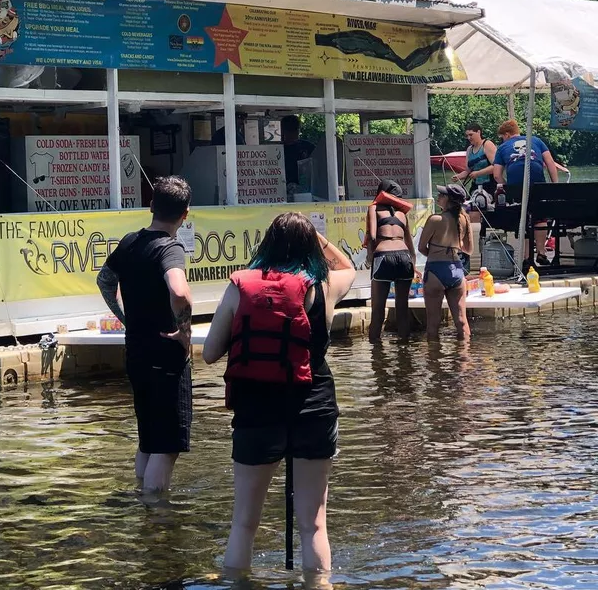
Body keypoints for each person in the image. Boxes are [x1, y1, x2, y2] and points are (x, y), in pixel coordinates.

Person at [202, 212, 356, 578]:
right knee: (314, 525)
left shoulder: (240, 286)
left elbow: (209, 353)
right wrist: (316, 236)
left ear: (266, 243)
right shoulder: (324, 285)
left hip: (256, 411)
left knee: (243, 523)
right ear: (311, 246)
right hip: (313, 408)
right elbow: (349, 265)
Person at [96, 176, 193, 492]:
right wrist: (185, 331)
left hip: (135, 350)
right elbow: (179, 291)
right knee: (166, 447)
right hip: (165, 355)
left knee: (148, 439)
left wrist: (125, 316)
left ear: (151, 206)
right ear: (185, 214)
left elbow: (105, 280)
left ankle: (142, 503)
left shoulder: (129, 242)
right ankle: (157, 516)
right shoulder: (170, 247)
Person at [492, 119, 558, 263]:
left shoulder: (502, 148)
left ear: (507, 135)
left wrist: (508, 187)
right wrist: (555, 186)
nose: (502, 140)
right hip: (539, 185)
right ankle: (541, 252)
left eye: (502, 137)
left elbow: (496, 175)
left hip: (516, 189)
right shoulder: (536, 140)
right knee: (540, 217)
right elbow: (550, 163)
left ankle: (527, 256)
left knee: (524, 218)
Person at [418, 184, 473, 341]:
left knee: (433, 324)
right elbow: (469, 250)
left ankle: (434, 362)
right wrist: (453, 245)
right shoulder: (464, 219)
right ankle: (464, 360)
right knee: (462, 322)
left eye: (442, 195)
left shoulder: (435, 219)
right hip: (456, 270)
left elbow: (422, 247)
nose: (438, 196)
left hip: (436, 269)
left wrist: (436, 254)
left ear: (449, 200)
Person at [366, 180, 417, 343]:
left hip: (383, 257)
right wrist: (413, 265)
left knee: (378, 309)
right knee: (402, 308)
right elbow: (410, 244)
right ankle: (404, 351)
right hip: (404, 257)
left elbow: (372, 236)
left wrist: (370, 257)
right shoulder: (403, 213)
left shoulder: (374, 208)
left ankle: (376, 351)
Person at [455, 122, 497, 196]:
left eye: (471, 135)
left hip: (490, 186)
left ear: (478, 132)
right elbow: (468, 171)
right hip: (475, 187)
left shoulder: (487, 144)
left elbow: (496, 167)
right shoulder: (469, 149)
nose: (469, 138)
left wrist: (478, 173)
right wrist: (458, 176)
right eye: (467, 136)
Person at [281, 114, 315, 187]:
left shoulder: (308, 147)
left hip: (305, 189)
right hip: (283, 189)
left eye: (294, 129)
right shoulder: (277, 150)